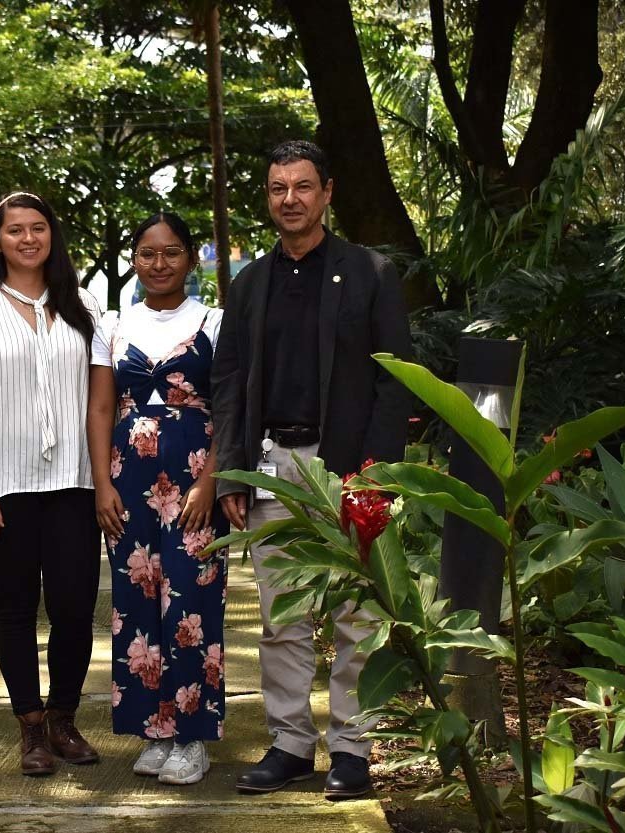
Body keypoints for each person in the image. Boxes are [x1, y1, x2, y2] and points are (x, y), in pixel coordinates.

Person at [210, 141, 412, 799]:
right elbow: (231, 379)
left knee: (354, 613)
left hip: (346, 468)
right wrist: (234, 472)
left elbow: (394, 380)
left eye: (301, 186)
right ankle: (292, 742)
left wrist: (375, 475)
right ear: (267, 197)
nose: (289, 198)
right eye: (277, 188)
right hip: (274, 465)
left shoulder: (370, 273)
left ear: (326, 192)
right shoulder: (249, 283)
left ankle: (352, 748)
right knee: (282, 615)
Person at [0, 191, 103, 777]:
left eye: (38, 228)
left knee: (75, 607)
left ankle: (63, 719)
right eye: (15, 230)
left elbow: (103, 394)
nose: (28, 239)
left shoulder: (82, 307)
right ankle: (30, 729)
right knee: (14, 609)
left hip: (75, 484)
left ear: (52, 235)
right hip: (2, 489)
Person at [87, 212, 228, 786]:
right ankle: (153, 728)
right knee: (136, 599)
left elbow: (231, 406)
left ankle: (192, 738)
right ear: (134, 260)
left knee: (192, 599)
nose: (159, 263)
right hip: (128, 480)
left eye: (172, 252)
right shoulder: (114, 326)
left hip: (194, 475)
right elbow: (100, 408)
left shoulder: (215, 321)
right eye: (148, 253)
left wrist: (212, 480)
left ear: (191, 258)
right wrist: (101, 484)